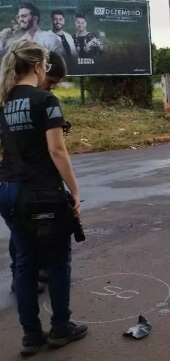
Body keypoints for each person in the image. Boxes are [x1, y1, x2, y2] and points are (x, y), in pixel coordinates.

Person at [0, 40, 87, 356]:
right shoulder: (46, 100)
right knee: (56, 261)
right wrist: (74, 191)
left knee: (22, 264)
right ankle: (61, 328)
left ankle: (31, 337)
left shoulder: (3, 101)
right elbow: (56, 150)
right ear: (39, 66)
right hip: (43, 193)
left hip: (9, 191)